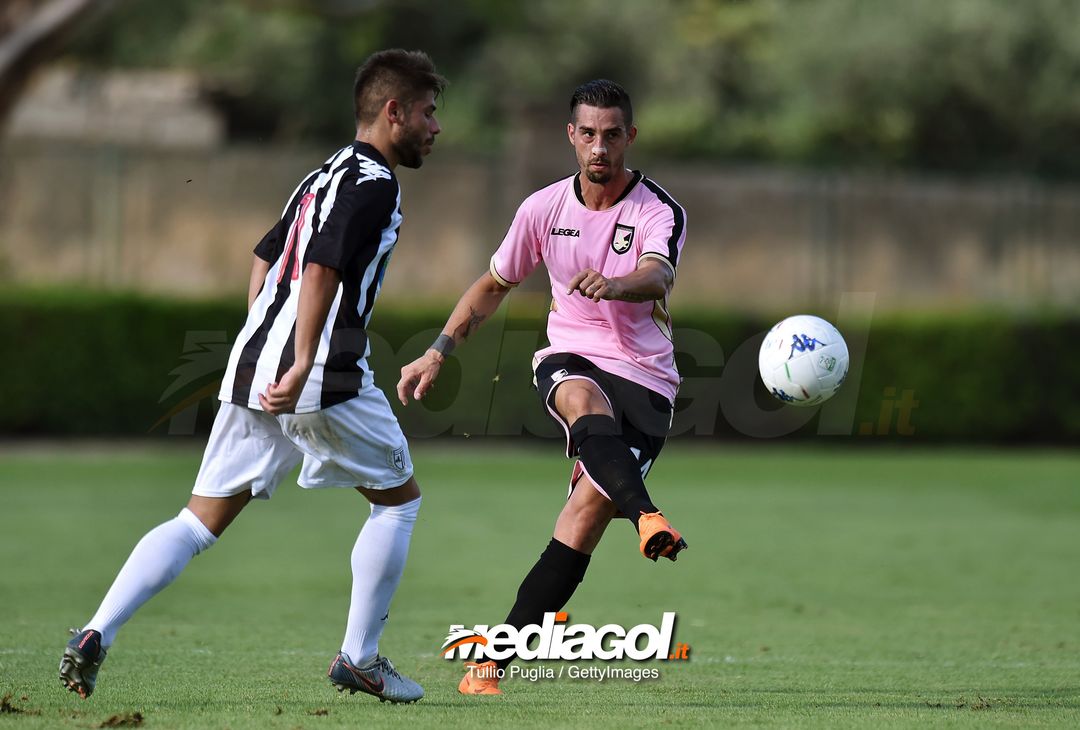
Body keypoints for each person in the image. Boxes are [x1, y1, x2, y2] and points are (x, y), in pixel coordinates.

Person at [59, 49, 446, 705]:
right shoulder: (376, 183)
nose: (436, 127)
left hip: (252, 366)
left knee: (198, 520)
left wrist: (267, 345)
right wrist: (298, 361)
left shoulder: (321, 172)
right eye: (429, 113)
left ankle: (97, 631)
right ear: (393, 112)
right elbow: (321, 266)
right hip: (319, 369)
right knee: (398, 499)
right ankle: (360, 658)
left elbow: (264, 257)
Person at [396, 78, 687, 696]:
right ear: (571, 136)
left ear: (629, 137)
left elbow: (658, 276)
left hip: (648, 379)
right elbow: (493, 285)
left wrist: (615, 284)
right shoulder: (543, 209)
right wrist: (436, 351)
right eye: (588, 134)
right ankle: (648, 514)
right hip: (572, 355)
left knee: (581, 519)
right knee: (578, 394)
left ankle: (489, 665)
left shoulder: (657, 210)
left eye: (612, 135)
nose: (599, 147)